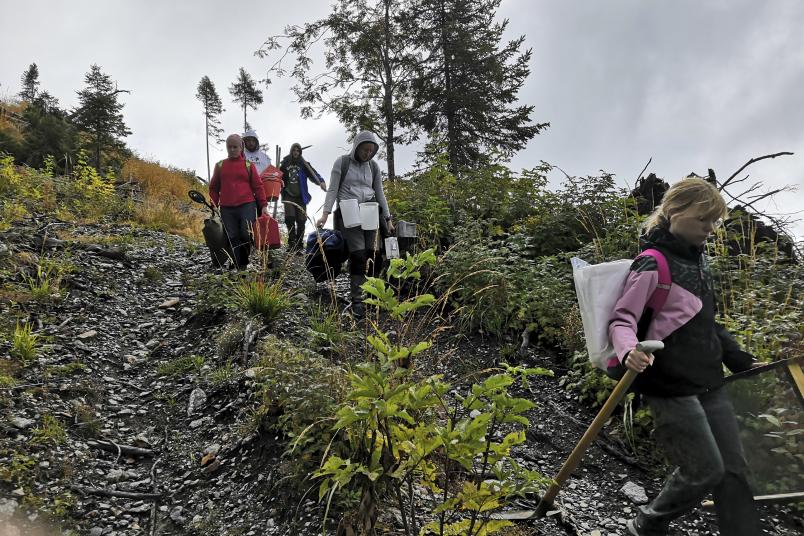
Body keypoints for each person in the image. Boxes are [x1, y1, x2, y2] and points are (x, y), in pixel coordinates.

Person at [608, 177, 763, 536]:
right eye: (703, 219)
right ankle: (648, 523)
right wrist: (629, 349)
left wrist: (738, 357)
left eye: (715, 221)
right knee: (704, 470)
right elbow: (622, 319)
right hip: (669, 387)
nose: (711, 228)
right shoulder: (652, 263)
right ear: (674, 213)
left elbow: (706, 322)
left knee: (735, 471)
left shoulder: (698, 262)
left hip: (711, 381)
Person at [316, 131, 394, 317]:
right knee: (358, 255)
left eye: (371, 150)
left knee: (373, 254)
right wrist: (325, 214)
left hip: (370, 212)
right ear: (357, 146)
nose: (367, 153)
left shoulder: (373, 167)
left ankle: (373, 296)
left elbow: (379, 193)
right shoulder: (342, 163)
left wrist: (389, 219)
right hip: (348, 213)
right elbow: (333, 189)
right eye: (364, 149)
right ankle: (357, 300)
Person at [209, 133, 268, 270]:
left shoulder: (249, 165)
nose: (232, 150)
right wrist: (213, 204)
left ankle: (244, 260)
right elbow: (213, 187)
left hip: (247, 205)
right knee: (232, 236)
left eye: (235, 147)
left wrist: (263, 205)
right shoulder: (220, 165)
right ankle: (239, 265)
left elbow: (258, 186)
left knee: (245, 234)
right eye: (229, 147)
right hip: (226, 207)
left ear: (241, 147)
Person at [279, 142, 326, 252]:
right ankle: (291, 244)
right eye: (294, 150)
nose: (295, 152)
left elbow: (314, 174)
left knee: (301, 220)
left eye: (298, 151)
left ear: (300, 152)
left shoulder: (304, 164)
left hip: (301, 196)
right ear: (291, 151)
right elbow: (277, 177)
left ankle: (299, 245)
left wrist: (321, 182)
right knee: (289, 218)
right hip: (288, 194)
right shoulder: (285, 163)